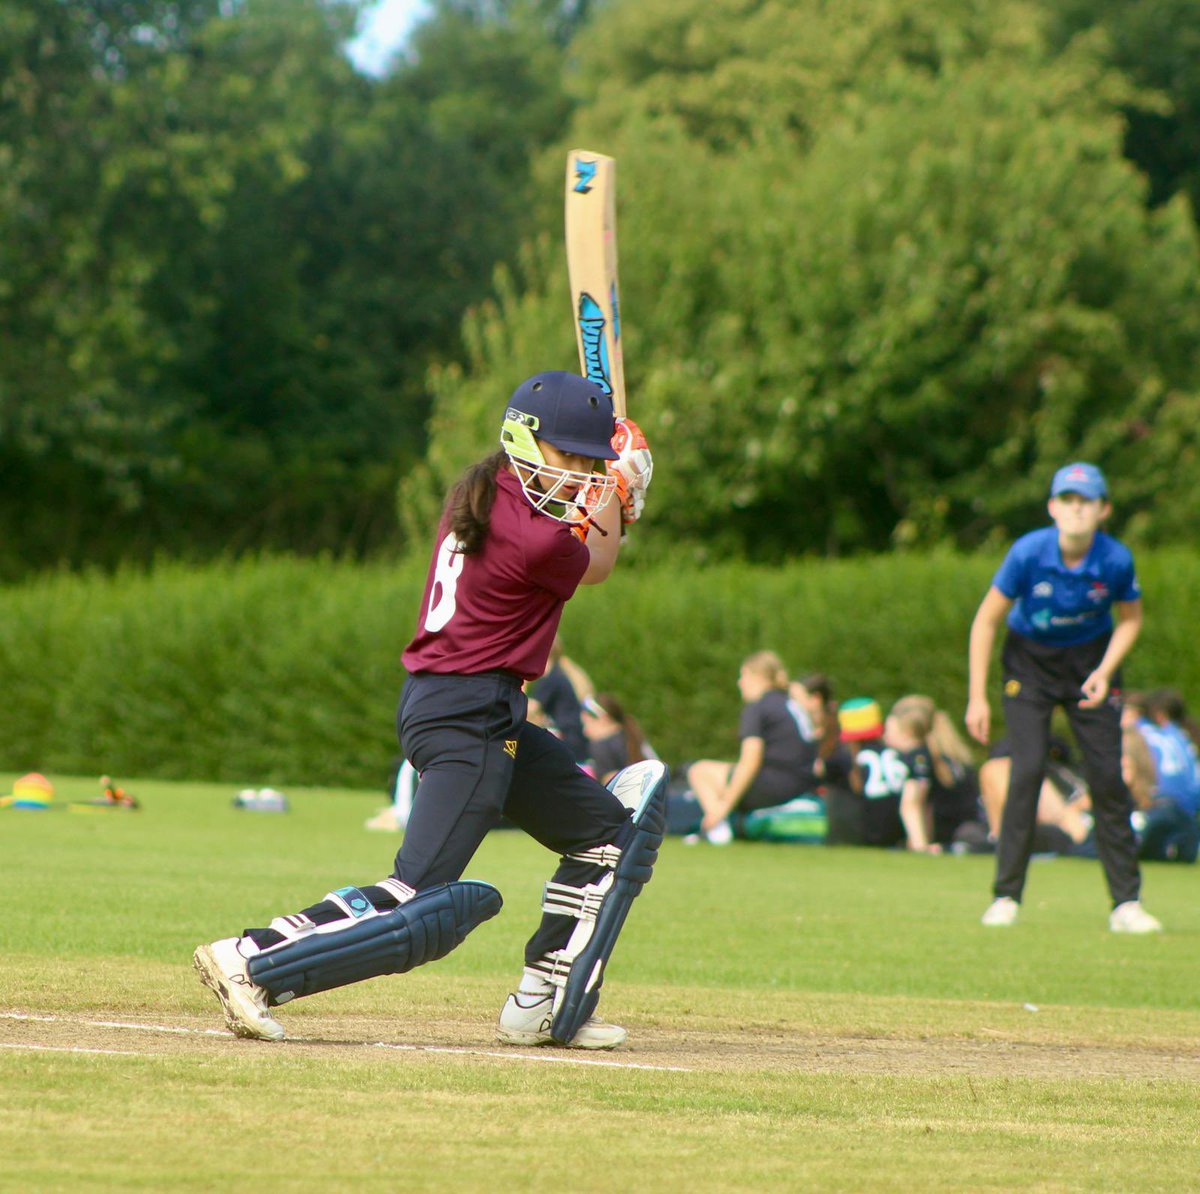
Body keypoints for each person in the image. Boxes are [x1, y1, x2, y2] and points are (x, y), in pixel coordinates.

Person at [193, 370, 664, 1050]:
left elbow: (578, 533)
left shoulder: (480, 488)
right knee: (419, 896)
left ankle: (546, 1000)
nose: (582, 476)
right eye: (573, 459)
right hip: (468, 717)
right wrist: (626, 490)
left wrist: (607, 478)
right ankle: (252, 959)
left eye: (592, 463)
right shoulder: (533, 538)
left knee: (609, 838)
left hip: (470, 708)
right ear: (523, 444)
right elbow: (596, 563)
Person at [965, 461, 1160, 932]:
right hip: (1029, 665)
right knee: (1026, 770)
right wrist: (977, 697)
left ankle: (1125, 905)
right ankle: (1006, 896)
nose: (1076, 510)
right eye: (1067, 501)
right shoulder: (1027, 553)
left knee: (1107, 779)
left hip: (1091, 666)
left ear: (1102, 510)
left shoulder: (1115, 559)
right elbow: (986, 621)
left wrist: (1105, 671)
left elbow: (1130, 619)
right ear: (1053, 507)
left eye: (1086, 502)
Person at [686, 651, 817, 844]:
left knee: (699, 771)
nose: (740, 683)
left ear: (756, 676)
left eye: (743, 675)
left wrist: (723, 807)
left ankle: (717, 829)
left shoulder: (759, 706)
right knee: (726, 771)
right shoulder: (790, 704)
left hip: (776, 786)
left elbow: (750, 761)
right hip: (803, 784)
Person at [1133, 689, 1200, 863]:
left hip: (1157, 808)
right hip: (1188, 816)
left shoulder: (1142, 732)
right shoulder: (1184, 737)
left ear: (1158, 714)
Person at [528, 637, 593, 764]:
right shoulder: (559, 673)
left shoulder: (550, 679)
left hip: (566, 737)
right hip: (574, 736)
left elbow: (531, 708)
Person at [581, 692, 654, 786]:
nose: (584, 731)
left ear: (604, 719)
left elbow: (611, 783)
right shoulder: (631, 735)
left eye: (586, 723)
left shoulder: (600, 746)